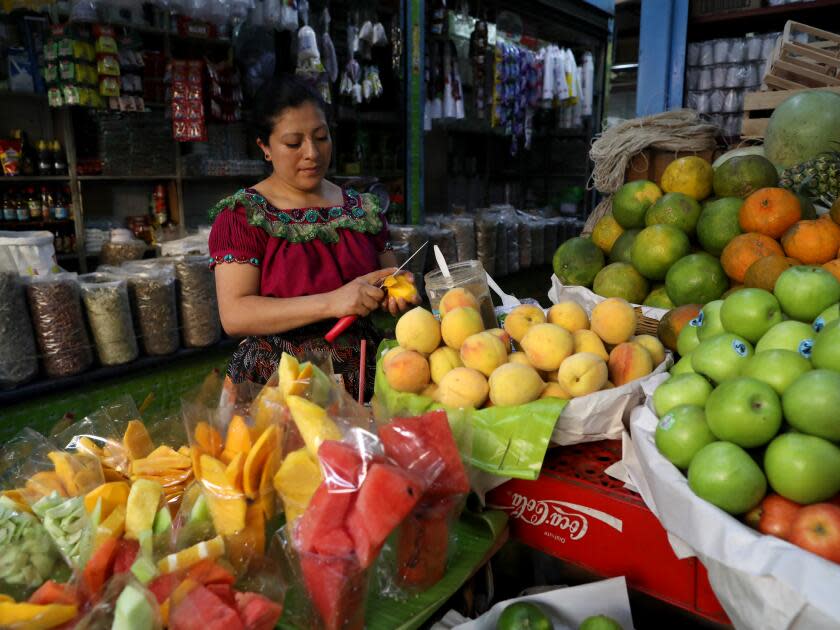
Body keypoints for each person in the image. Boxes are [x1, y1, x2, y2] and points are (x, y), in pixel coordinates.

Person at [208, 75, 418, 398]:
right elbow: (235, 315)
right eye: (294, 143)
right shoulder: (244, 216)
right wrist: (333, 302)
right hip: (277, 385)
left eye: (321, 137)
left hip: (362, 378)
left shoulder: (363, 208)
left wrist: (396, 292)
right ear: (264, 147)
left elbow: (387, 278)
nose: (312, 153)